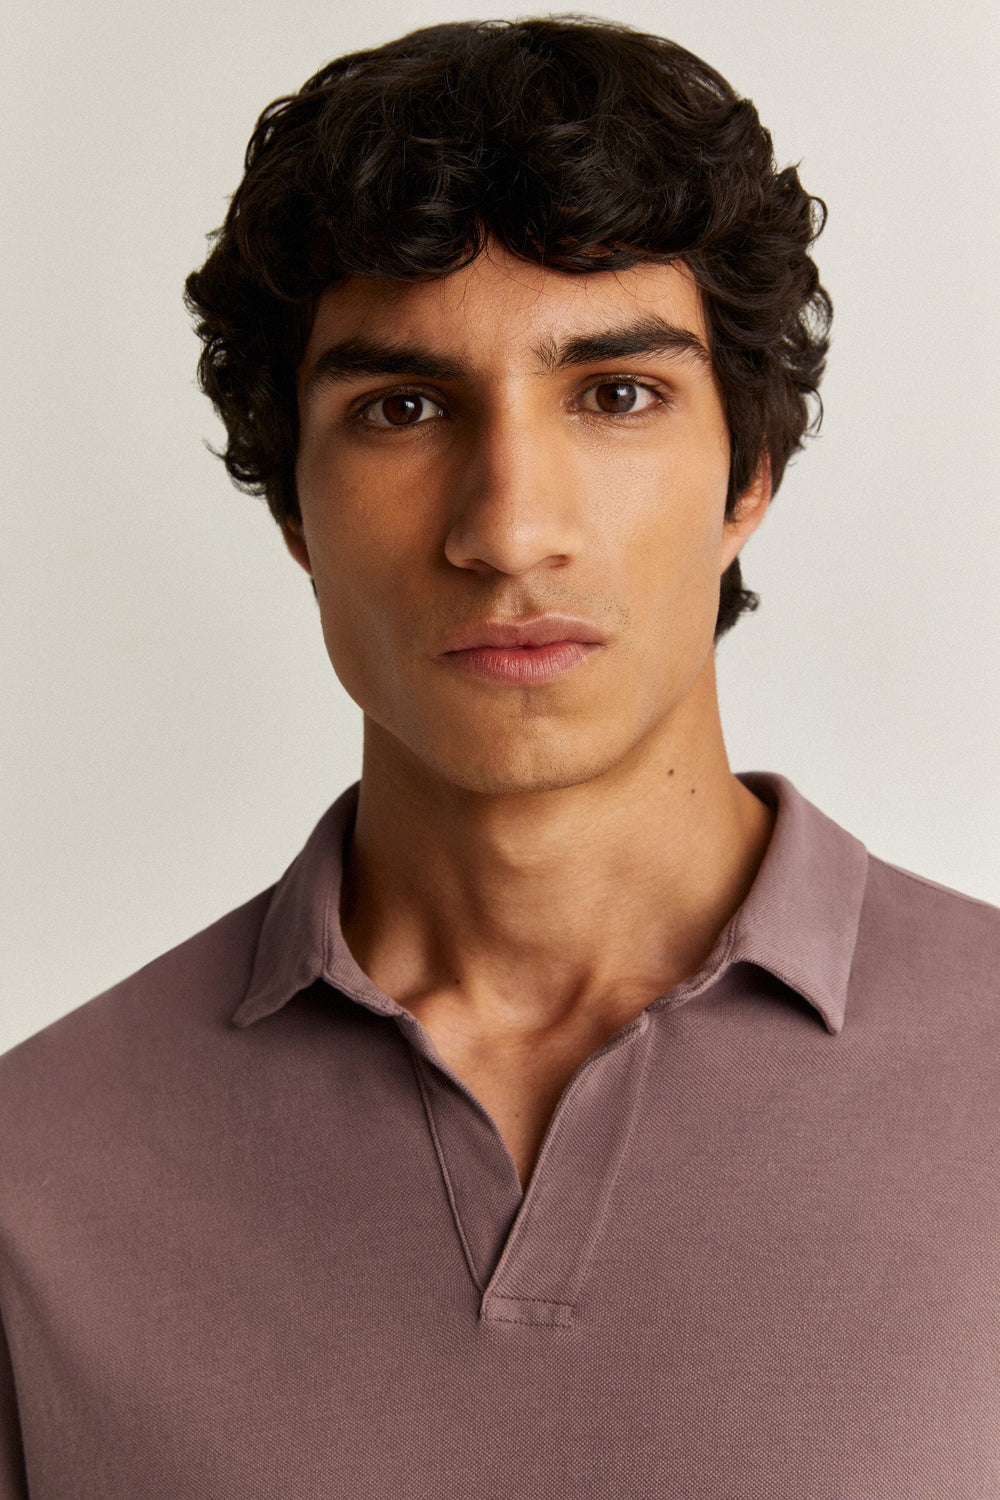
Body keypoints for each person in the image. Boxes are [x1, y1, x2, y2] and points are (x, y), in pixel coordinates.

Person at [1, 15, 997, 1496]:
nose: (510, 528)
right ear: (294, 506)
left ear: (750, 472)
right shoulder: (35, 1173)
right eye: (402, 409)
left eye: (616, 394)